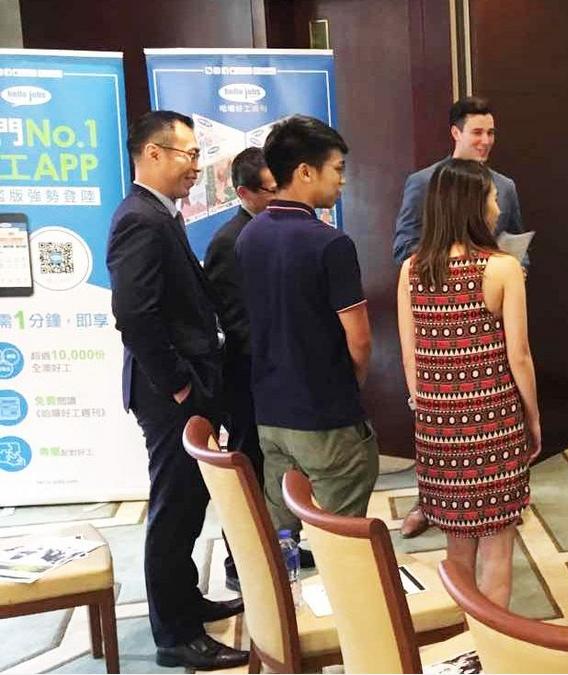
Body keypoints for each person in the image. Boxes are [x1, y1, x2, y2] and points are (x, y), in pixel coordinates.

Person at [107, 110, 247, 670]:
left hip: (186, 385)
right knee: (173, 507)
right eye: (188, 154)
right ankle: (175, 634)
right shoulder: (140, 219)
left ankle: (186, 601)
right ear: (153, 153)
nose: (196, 165)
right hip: (168, 394)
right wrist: (181, 387)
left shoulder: (160, 213)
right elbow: (134, 315)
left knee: (190, 501)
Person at [397, 158, 540, 608]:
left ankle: (466, 633)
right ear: (473, 205)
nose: (497, 207)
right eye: (492, 197)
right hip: (494, 422)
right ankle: (491, 641)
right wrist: (533, 418)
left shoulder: (412, 270)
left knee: (457, 545)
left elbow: (410, 357)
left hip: (437, 428)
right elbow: (519, 355)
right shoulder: (502, 268)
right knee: (498, 545)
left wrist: (429, 410)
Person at [236, 115, 380, 541]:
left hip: (270, 413)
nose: (342, 180)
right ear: (304, 171)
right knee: (342, 537)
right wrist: (350, 385)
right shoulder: (330, 243)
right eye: (337, 169)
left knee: (285, 537)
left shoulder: (249, 236)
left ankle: (292, 588)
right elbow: (359, 339)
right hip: (325, 415)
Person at [392, 95, 526, 537]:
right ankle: (431, 501)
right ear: (456, 133)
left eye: (491, 133)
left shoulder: (504, 185)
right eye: (477, 132)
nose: (486, 140)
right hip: (439, 311)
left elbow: (515, 240)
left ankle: (496, 497)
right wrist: (448, 269)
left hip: (494, 304)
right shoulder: (423, 182)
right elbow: (403, 245)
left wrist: (511, 269)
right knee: (442, 433)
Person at [202, 147, 280, 592]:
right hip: (248, 378)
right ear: (245, 193)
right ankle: (241, 560)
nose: (278, 197)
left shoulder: (272, 231)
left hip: (276, 376)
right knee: (248, 466)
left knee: (275, 467)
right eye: (271, 190)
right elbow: (235, 322)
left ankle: (279, 546)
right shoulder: (229, 241)